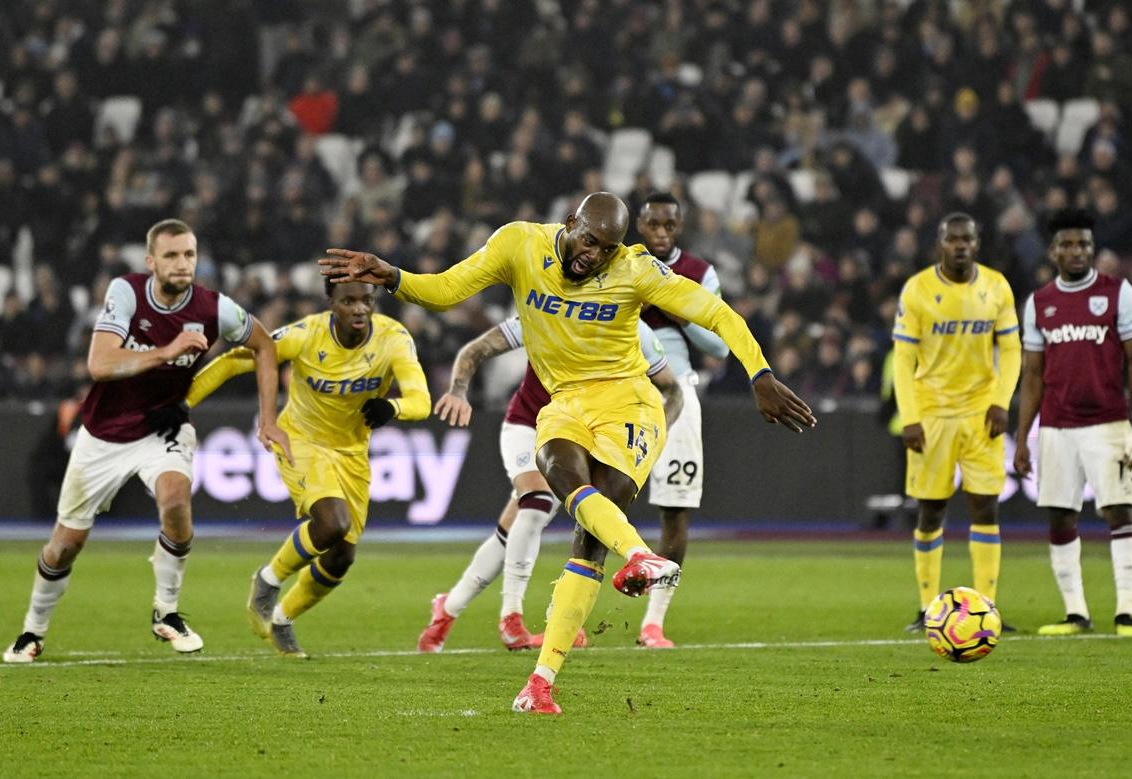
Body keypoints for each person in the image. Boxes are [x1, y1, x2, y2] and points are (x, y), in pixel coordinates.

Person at [319, 191, 815, 714]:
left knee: (588, 541)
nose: (594, 255)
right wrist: (392, 275)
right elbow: (445, 290)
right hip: (567, 402)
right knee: (558, 472)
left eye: (606, 248)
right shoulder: (519, 244)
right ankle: (642, 557)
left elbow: (717, 314)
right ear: (571, 222)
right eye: (588, 240)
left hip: (630, 404)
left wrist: (759, 373)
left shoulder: (636, 268)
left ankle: (542, 680)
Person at [3, 219, 288, 664]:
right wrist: (167, 351)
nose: (182, 264)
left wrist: (269, 418)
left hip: (163, 428)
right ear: (152, 261)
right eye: (172, 255)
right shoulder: (127, 293)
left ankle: (167, 612)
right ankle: (32, 631)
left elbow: (265, 347)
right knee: (65, 545)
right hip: (103, 433)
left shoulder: (216, 309)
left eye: (189, 254)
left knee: (176, 501)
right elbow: (99, 364)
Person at [185, 279, 431, 657]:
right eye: (349, 301)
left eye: (367, 301)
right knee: (333, 522)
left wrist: (393, 407)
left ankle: (283, 619)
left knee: (342, 556)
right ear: (331, 302)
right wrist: (182, 404)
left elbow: (421, 400)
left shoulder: (393, 339)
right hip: (300, 440)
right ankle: (267, 583)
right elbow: (235, 361)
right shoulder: (306, 334)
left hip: (351, 453)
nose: (360, 309)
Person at [417, 314, 682, 652]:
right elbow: (479, 348)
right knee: (537, 502)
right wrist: (458, 389)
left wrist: (657, 432)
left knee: (513, 529)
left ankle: (448, 608)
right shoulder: (546, 310)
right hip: (527, 424)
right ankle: (511, 617)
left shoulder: (632, 326)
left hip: (581, 434)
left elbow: (672, 390)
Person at [1013, 208, 1132, 637]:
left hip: (1108, 422)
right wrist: (1022, 438)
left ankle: (1126, 612)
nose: (1076, 251)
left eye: (1084, 245)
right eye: (1068, 244)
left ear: (1093, 249)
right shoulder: (1039, 303)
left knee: (1118, 510)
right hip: (1055, 426)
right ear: (1053, 251)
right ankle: (1076, 613)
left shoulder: (1118, 293)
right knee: (1059, 515)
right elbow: (1032, 375)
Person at [892, 212, 1020, 633]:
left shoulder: (997, 286)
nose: (960, 245)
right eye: (953, 239)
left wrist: (1001, 402)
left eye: (967, 239)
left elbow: (1013, 351)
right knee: (931, 511)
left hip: (981, 413)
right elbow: (904, 359)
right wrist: (910, 417)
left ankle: (988, 606)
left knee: (986, 506)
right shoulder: (918, 290)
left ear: (977, 244)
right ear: (940, 244)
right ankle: (927, 607)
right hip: (932, 415)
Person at [635, 192, 730, 648]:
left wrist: (679, 310)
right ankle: (573, 613)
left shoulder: (697, 272)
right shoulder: (619, 263)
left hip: (678, 392)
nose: (660, 233)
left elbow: (719, 347)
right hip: (618, 391)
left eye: (668, 226)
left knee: (675, 509)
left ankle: (653, 622)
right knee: (598, 503)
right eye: (652, 224)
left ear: (679, 226)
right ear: (638, 224)